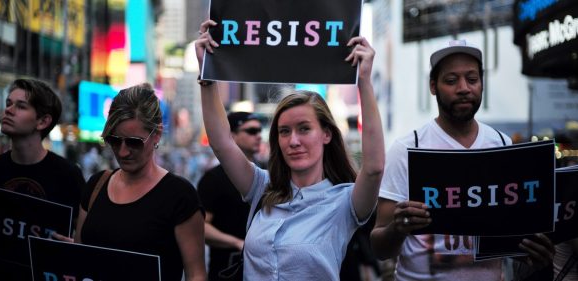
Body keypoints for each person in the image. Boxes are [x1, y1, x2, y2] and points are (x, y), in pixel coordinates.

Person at [195, 19, 385, 281]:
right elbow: (222, 143)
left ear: (327, 134)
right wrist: (207, 74)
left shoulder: (344, 201)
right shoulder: (262, 187)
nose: (293, 141)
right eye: (284, 131)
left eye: (304, 129)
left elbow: (374, 169)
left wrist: (364, 81)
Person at [369, 40, 555, 280]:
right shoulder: (407, 149)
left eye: (472, 79)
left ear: (482, 84)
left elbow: (511, 238)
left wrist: (533, 252)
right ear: (433, 86)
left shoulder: (501, 144)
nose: (464, 88)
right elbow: (379, 248)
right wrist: (398, 228)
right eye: (451, 80)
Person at [55, 83, 206, 281]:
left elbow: (197, 275)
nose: (123, 151)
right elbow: (81, 254)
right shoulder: (97, 184)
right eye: (115, 141)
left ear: (157, 135)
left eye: (134, 142)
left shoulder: (179, 195)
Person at [0, 78, 85, 280]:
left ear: (43, 121)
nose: (9, 110)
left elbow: (87, 239)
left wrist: (77, 249)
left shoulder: (67, 175)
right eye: (8, 104)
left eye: (21, 106)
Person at [197, 112, 262, 281]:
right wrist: (236, 243)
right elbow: (200, 227)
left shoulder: (269, 174)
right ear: (232, 135)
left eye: (259, 130)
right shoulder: (213, 178)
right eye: (251, 131)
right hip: (227, 269)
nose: (258, 136)